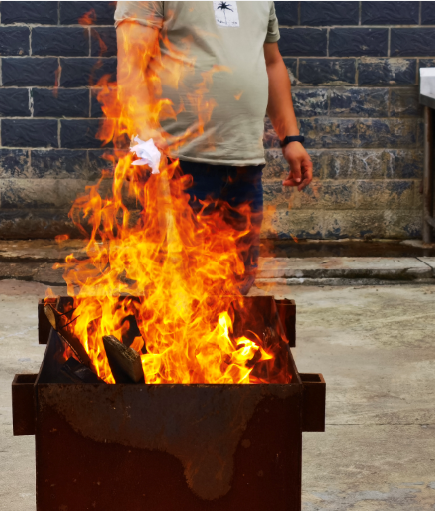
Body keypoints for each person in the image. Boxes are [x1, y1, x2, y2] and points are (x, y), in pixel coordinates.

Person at [115, 1, 313, 293]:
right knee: (178, 290)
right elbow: (131, 65)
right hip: (178, 161)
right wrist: (144, 130)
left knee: (237, 283)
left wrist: (291, 139)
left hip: (245, 161)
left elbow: (271, 62)